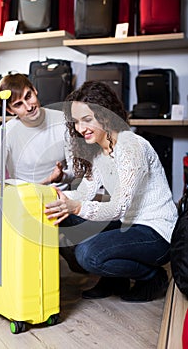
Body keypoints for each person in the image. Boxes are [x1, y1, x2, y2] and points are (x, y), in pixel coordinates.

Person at [44, 80, 178, 302]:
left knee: (88, 254)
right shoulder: (100, 151)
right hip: (128, 223)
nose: (80, 128)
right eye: (76, 122)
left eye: (87, 120)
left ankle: (152, 277)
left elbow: (119, 206)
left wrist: (76, 206)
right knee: (64, 221)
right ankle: (115, 277)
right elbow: (85, 193)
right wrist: (53, 197)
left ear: (105, 115)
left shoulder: (130, 145)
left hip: (155, 231)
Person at [0, 73, 87, 274]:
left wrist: (61, 176)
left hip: (58, 201)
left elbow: (76, 171)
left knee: (82, 261)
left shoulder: (63, 122)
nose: (28, 106)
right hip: (23, 203)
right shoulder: (5, 132)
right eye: (18, 104)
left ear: (34, 90)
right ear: (9, 109)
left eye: (28, 96)